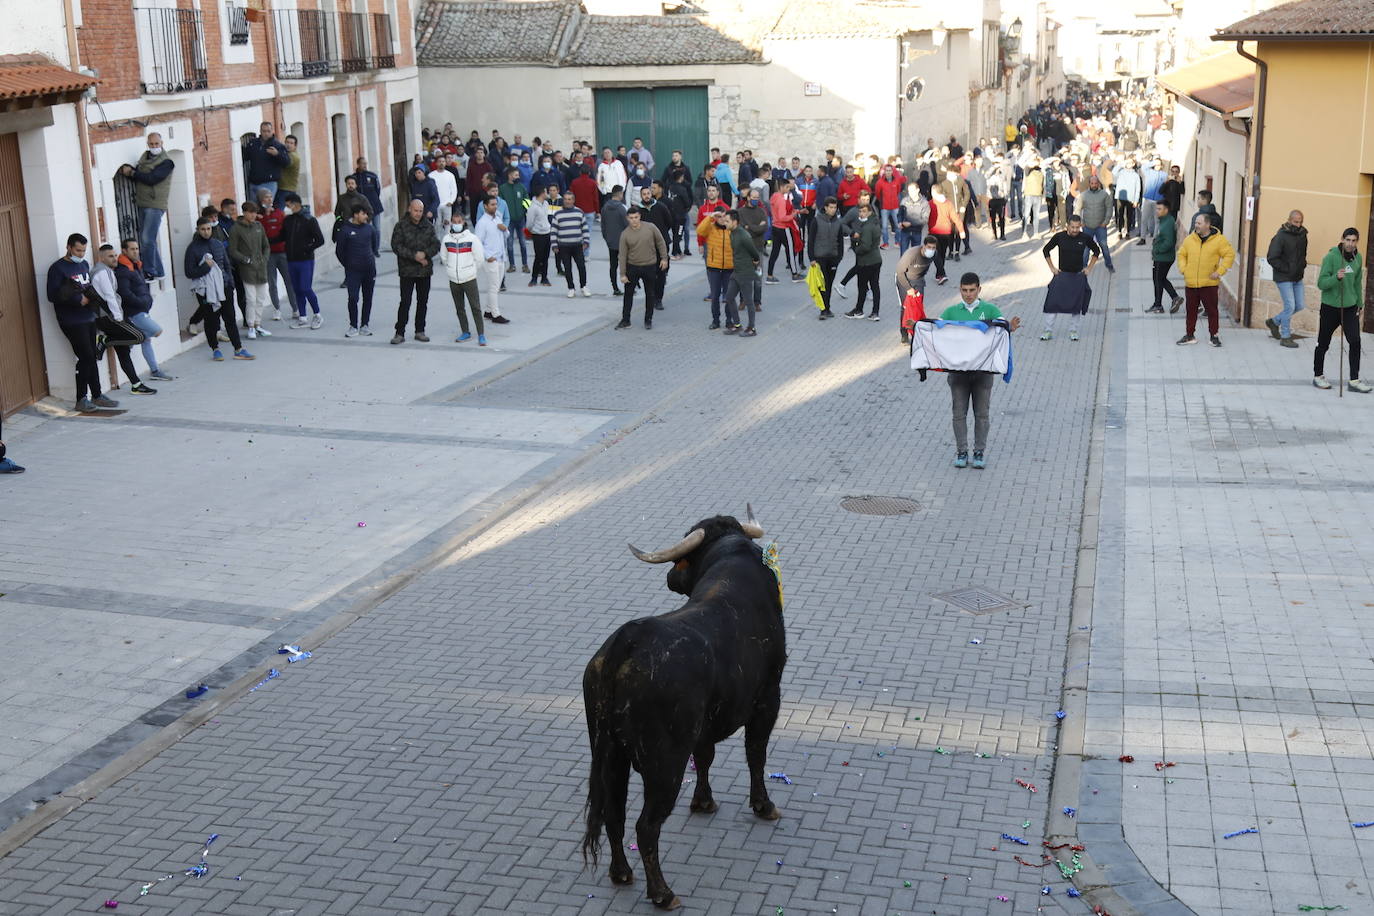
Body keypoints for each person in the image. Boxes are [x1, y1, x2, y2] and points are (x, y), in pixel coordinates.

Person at [939, 272, 1021, 469]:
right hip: (958, 374)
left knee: (981, 414)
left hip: (983, 373)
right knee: (958, 413)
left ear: (979, 290)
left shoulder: (991, 310)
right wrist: (917, 326)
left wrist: (1010, 327)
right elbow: (935, 333)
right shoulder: (950, 312)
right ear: (959, 289)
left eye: (972, 290)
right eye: (965, 290)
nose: (968, 294)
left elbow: (1001, 331)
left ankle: (978, 452)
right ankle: (961, 451)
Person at [48, 234, 117, 410]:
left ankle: (97, 395)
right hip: (71, 320)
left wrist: (92, 299)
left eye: (84, 250)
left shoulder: (84, 264)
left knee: (92, 356)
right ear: (69, 247)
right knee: (85, 357)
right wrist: (77, 300)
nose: (81, 254)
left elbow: (87, 286)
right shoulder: (57, 268)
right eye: (78, 250)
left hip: (88, 317)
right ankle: (81, 398)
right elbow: (52, 295)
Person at [90, 243, 156, 395]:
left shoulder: (106, 271)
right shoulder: (102, 272)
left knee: (123, 350)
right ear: (101, 257)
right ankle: (105, 341)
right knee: (140, 336)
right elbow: (109, 296)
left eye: (115, 255)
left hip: (109, 316)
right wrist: (119, 318)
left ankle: (136, 384)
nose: (114, 258)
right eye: (110, 256)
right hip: (109, 317)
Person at [185, 217, 253, 360]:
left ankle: (238, 348)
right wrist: (205, 267)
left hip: (225, 287)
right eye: (203, 229)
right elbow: (189, 272)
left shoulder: (217, 244)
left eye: (208, 229)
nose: (206, 232)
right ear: (198, 230)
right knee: (211, 320)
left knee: (230, 318)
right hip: (205, 291)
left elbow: (227, 265)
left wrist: (230, 283)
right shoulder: (192, 248)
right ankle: (215, 349)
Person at [1312, 228, 1367, 391]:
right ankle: (1318, 375)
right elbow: (1321, 283)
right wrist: (1336, 277)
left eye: (1354, 240)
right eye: (1348, 240)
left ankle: (1354, 380)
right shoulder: (1331, 257)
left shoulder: (1358, 258)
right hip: (1330, 307)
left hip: (1350, 307)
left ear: (1357, 241)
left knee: (1355, 341)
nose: (1350, 244)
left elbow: (1357, 283)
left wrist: (1360, 303)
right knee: (1323, 342)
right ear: (1342, 239)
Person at [114, 238, 173, 381]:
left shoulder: (135, 266)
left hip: (141, 309)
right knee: (156, 331)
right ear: (124, 251)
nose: (136, 251)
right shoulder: (123, 270)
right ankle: (133, 337)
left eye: (136, 248)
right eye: (132, 249)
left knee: (146, 340)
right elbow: (125, 293)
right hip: (135, 312)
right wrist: (142, 302)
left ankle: (155, 370)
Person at [1175, 213, 1235, 348]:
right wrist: (1183, 269)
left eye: (1199, 223)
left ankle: (1214, 336)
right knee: (1191, 311)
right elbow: (1181, 254)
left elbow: (1229, 255)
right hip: (1191, 283)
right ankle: (1189, 335)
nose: (1196, 225)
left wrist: (1220, 271)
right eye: (1196, 223)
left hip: (1209, 284)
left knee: (1212, 311)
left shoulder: (1219, 240)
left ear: (1208, 224)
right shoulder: (1190, 239)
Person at [1039, 215, 1100, 341]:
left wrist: (1089, 268)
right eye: (1072, 227)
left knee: (1076, 306)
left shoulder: (1084, 237)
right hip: (1062, 275)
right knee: (1052, 303)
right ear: (1067, 225)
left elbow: (1096, 251)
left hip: (1078, 276)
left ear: (1081, 226)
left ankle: (1074, 331)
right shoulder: (1059, 237)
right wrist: (1052, 268)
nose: (1075, 230)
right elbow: (1046, 250)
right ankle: (1048, 330)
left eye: (1077, 227)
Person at [122, 132, 173, 279]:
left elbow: (152, 179)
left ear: (162, 143)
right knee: (148, 239)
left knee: (146, 239)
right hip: (143, 202)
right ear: (147, 144)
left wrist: (132, 173)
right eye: (151, 144)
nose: (154, 147)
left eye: (157, 144)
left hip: (155, 204)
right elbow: (140, 177)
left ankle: (150, 270)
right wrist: (133, 173)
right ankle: (159, 271)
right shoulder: (144, 158)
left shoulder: (167, 162)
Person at [390, 198, 441, 345]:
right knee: (405, 301)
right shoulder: (401, 226)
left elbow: (436, 244)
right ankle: (399, 332)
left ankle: (420, 330)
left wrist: (425, 254)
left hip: (424, 272)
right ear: (409, 209)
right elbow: (396, 246)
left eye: (420, 211)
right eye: (415, 210)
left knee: (422, 302)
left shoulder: (428, 226)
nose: (418, 213)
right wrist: (415, 256)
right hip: (407, 271)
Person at [616, 207, 668, 330]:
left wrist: (664, 258)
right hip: (632, 267)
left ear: (640, 216)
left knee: (650, 294)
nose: (634, 220)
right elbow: (622, 255)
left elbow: (660, 242)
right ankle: (626, 320)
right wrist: (622, 274)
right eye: (631, 218)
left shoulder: (650, 228)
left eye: (636, 217)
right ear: (627, 218)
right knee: (628, 294)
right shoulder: (625, 234)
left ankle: (648, 319)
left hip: (649, 266)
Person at [441, 210, 487, 346]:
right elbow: (444, 257)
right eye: (454, 222)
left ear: (464, 222)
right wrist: (450, 269)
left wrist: (470, 270)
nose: (456, 224)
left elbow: (479, 258)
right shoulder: (446, 239)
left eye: (459, 222)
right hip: (453, 279)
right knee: (459, 307)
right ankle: (465, 331)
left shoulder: (472, 239)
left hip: (469, 279)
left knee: (475, 307)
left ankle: (481, 334)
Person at [1265, 210, 1309, 348]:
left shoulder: (1303, 235)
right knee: (1290, 306)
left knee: (1299, 305)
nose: (1298, 224)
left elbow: (1302, 254)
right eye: (1296, 221)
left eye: (1300, 221)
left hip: (1297, 277)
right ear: (1289, 220)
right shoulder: (1280, 236)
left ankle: (1274, 321)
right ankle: (1285, 337)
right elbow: (1272, 257)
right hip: (1284, 277)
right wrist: (1287, 269)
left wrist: (1302, 265)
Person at [228, 201, 272, 339]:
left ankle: (258, 325)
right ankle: (251, 326)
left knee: (261, 298)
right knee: (251, 299)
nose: (253, 215)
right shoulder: (236, 229)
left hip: (261, 268)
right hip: (247, 269)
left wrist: (264, 259)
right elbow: (232, 250)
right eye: (250, 212)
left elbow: (266, 246)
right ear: (244, 212)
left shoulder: (259, 226)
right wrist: (245, 260)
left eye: (254, 212)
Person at [335, 204, 380, 337]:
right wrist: (349, 264)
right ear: (355, 215)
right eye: (363, 214)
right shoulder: (345, 230)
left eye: (366, 214)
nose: (366, 216)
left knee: (368, 297)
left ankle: (364, 325)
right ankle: (353, 326)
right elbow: (339, 251)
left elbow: (374, 246)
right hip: (353, 271)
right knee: (353, 298)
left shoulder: (370, 229)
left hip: (369, 269)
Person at [281, 193, 324, 329]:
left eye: (288, 205)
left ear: (296, 204)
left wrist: (307, 249)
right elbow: (281, 236)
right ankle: (303, 317)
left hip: (305, 260)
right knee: (297, 289)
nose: (287, 208)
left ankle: (317, 315)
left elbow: (320, 240)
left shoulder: (309, 219)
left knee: (306, 288)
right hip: (291, 260)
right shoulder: (288, 220)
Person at [256, 188, 298, 321]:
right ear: (261, 200)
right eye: (266, 198)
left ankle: (295, 308)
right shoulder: (259, 217)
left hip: (282, 253)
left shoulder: (280, 213)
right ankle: (277, 309)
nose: (269, 200)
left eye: (270, 197)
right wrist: (265, 216)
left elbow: (285, 231)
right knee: (272, 283)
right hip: (268, 255)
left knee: (289, 281)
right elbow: (260, 234)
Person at [720, 209, 762, 337]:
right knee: (729, 297)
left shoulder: (744, 235)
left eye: (727, 221)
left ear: (735, 221)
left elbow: (754, 253)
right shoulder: (732, 232)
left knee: (749, 301)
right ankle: (737, 325)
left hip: (745, 272)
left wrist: (755, 262)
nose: (725, 223)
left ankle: (751, 328)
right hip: (736, 271)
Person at [895, 234, 938, 344]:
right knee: (906, 307)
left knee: (918, 307)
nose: (931, 250)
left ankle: (916, 332)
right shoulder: (911, 254)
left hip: (918, 280)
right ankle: (904, 333)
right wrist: (908, 288)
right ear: (923, 246)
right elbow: (900, 272)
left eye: (933, 248)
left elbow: (937, 266)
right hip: (904, 280)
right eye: (929, 247)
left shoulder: (934, 254)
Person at [475, 195, 511, 322]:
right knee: (493, 287)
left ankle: (489, 311)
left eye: (496, 204)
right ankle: (496, 314)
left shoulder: (498, 218)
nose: (495, 206)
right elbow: (477, 242)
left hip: (501, 257)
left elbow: (505, 235)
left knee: (496, 286)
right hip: (491, 259)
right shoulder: (482, 223)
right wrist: (487, 256)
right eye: (492, 204)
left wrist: (505, 229)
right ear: (485, 206)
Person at [698, 207, 735, 329]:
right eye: (719, 216)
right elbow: (700, 230)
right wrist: (710, 217)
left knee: (729, 295)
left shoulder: (731, 230)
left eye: (723, 216)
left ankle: (729, 320)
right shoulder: (711, 228)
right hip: (714, 267)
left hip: (729, 268)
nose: (721, 219)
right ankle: (715, 320)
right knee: (715, 296)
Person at [1147, 200, 1183, 315]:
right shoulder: (1165, 220)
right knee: (1160, 279)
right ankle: (1174, 298)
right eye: (1156, 208)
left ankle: (1158, 305)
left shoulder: (1167, 222)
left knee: (1158, 280)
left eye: (1159, 209)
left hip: (1163, 257)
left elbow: (1169, 242)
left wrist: (1157, 250)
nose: (1157, 211)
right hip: (1162, 257)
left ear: (1166, 210)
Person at [551, 189, 589, 298]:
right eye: (565, 199)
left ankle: (583, 286)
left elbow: (585, 228)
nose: (567, 201)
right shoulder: (557, 214)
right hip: (563, 246)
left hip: (577, 245)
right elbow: (553, 230)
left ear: (573, 200)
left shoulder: (579, 212)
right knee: (567, 268)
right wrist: (554, 245)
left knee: (581, 266)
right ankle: (571, 288)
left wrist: (586, 241)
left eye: (569, 199)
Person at [242, 121, 289, 202]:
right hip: (254, 182)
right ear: (260, 131)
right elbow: (245, 156)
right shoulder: (253, 143)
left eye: (268, 131)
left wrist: (277, 154)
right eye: (264, 131)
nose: (266, 133)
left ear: (272, 131)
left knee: (266, 208)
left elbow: (287, 162)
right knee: (254, 209)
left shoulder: (277, 145)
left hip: (269, 183)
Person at [1076, 175, 1114, 273]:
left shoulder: (1104, 194)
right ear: (1089, 184)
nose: (1094, 185)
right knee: (1086, 249)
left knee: (1104, 246)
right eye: (1092, 183)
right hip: (1087, 226)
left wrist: (1106, 221)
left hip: (1100, 226)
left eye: (1095, 183)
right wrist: (1080, 223)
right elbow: (1077, 209)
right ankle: (1083, 267)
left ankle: (1109, 265)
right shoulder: (1083, 195)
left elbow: (1109, 208)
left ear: (1098, 184)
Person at [766, 178, 801, 282]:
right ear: (781, 187)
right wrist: (792, 215)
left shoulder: (774, 196)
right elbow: (783, 217)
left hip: (775, 226)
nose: (788, 189)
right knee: (790, 250)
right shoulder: (781, 199)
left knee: (775, 252)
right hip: (783, 228)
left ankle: (769, 275)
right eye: (787, 187)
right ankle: (794, 274)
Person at [498, 167, 531, 273]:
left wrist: (526, 212)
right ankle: (512, 265)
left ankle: (525, 264)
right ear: (510, 175)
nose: (518, 177)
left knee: (523, 242)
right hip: (509, 221)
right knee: (510, 243)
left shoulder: (521, 187)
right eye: (516, 175)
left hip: (520, 219)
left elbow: (527, 201)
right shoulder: (503, 188)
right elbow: (500, 204)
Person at [601, 185, 629, 296]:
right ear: (620, 194)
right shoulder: (622, 208)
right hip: (623, 242)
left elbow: (603, 225)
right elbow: (627, 225)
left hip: (611, 242)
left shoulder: (605, 207)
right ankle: (629, 285)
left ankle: (615, 287)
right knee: (626, 265)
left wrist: (607, 238)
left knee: (613, 266)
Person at [527, 184, 554, 287]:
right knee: (538, 257)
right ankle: (534, 278)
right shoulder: (533, 207)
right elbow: (529, 223)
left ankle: (544, 278)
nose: (547, 194)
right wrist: (534, 230)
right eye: (546, 192)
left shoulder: (546, 203)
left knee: (546, 257)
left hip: (547, 232)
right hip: (538, 234)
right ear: (542, 193)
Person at [275, 134, 302, 210]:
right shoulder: (287, 154)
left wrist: (277, 154)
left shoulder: (294, 156)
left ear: (295, 146)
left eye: (291, 143)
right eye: (287, 142)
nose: (288, 145)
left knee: (279, 211)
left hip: (286, 189)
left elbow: (286, 163)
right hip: (286, 188)